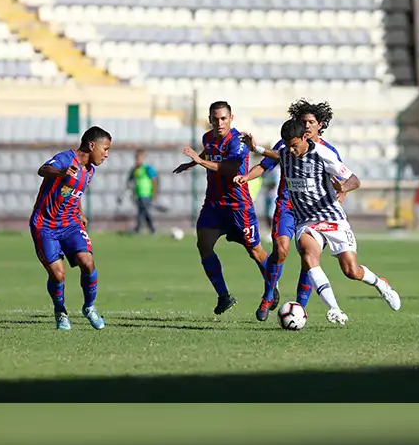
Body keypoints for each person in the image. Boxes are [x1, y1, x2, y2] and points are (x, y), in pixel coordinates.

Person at [239, 120, 401, 325]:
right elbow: (278, 155)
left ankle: (381, 284)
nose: (291, 150)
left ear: (305, 138)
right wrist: (257, 148)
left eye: (294, 146)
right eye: (287, 146)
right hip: (306, 222)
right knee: (309, 258)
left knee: (351, 271)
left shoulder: (323, 155)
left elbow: (354, 179)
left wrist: (343, 187)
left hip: (332, 218)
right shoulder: (288, 153)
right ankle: (335, 309)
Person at [240, 98, 343, 320]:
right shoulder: (286, 144)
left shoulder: (328, 151)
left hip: (316, 212)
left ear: (320, 125)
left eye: (310, 122)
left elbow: (340, 180)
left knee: (309, 259)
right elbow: (265, 165)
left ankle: (299, 308)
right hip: (287, 205)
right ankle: (269, 294)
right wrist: (246, 177)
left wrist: (340, 194)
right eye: (303, 121)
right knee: (281, 250)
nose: (306, 126)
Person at [173, 101, 276, 315]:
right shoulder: (207, 138)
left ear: (231, 118)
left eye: (223, 118)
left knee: (254, 251)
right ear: (210, 119)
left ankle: (272, 286)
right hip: (214, 204)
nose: (219, 122)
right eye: (215, 119)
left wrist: (199, 161)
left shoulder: (237, 141)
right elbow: (209, 152)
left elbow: (229, 168)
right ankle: (224, 296)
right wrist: (192, 163)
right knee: (204, 245)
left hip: (238, 206)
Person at [30, 126, 111, 330]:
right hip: (45, 225)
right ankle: (60, 312)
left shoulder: (90, 170)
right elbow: (43, 170)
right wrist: (60, 172)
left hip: (70, 223)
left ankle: (89, 307)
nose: (107, 154)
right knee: (58, 275)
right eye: (105, 148)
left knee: (88, 262)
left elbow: (74, 192)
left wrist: (80, 212)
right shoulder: (66, 159)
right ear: (92, 145)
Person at [126, 149, 158, 235]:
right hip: (138, 194)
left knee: (144, 211)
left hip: (146, 193)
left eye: (140, 158)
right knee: (142, 211)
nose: (138, 160)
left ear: (143, 158)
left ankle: (145, 229)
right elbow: (130, 180)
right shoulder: (134, 169)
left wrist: (154, 193)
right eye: (137, 158)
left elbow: (154, 180)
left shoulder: (147, 168)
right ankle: (145, 229)